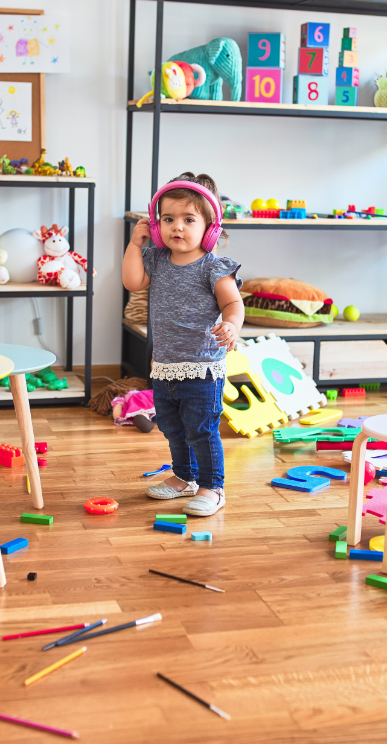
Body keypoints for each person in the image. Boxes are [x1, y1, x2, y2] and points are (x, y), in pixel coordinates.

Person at [122, 172, 244, 516]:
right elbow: (132, 282)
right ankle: (184, 477)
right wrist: (136, 244)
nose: (177, 227)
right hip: (164, 365)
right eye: (168, 219)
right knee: (172, 427)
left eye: (189, 219)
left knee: (202, 430)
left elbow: (233, 304)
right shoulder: (157, 261)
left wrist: (232, 325)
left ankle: (212, 487)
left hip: (202, 367)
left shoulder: (213, 267)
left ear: (211, 227)